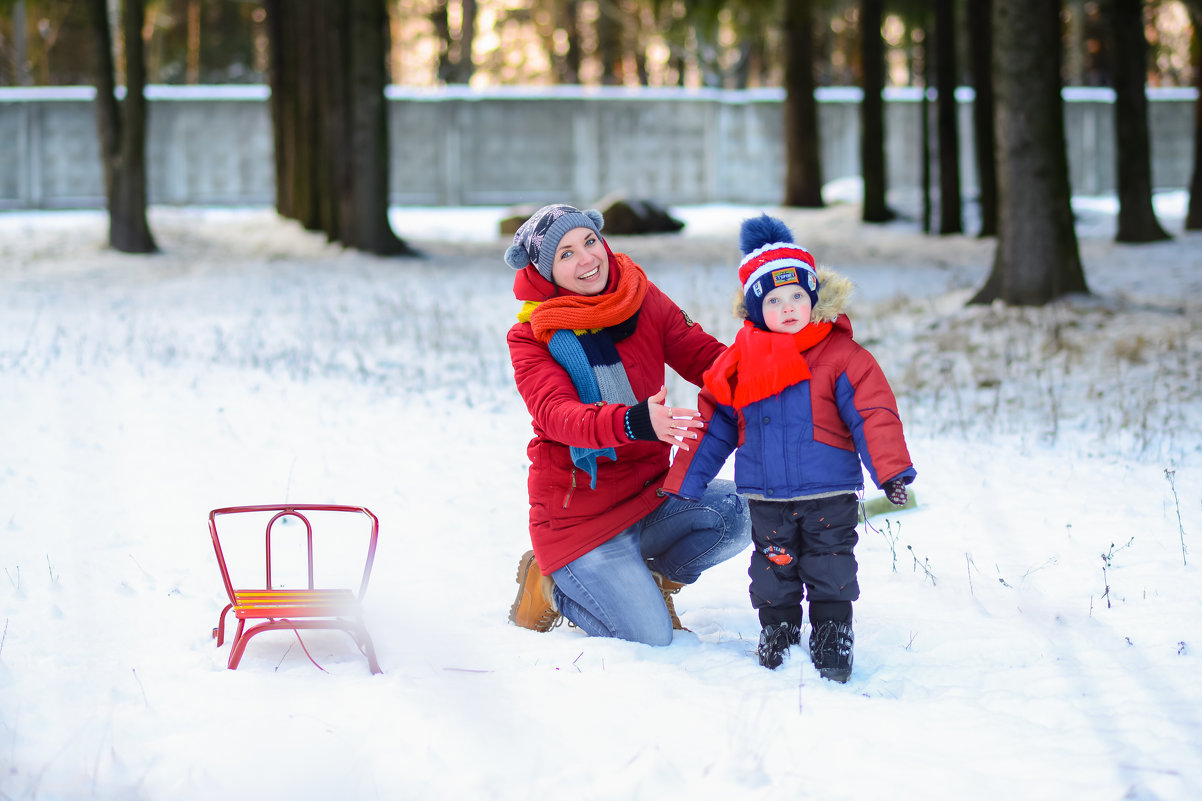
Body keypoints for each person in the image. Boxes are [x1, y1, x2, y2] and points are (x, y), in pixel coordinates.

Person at [663, 214, 916, 681]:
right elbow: (715, 424)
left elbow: (873, 414)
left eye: (798, 295)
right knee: (773, 569)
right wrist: (685, 482)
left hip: (829, 492)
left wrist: (892, 472)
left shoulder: (842, 356)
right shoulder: (737, 365)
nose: (789, 307)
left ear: (814, 297)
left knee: (830, 564)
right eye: (774, 299)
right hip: (767, 495)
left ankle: (832, 633)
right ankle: (777, 629)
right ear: (756, 310)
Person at [504, 203, 751, 646]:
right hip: (580, 520)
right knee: (651, 639)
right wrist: (635, 421)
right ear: (546, 274)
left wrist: (773, 375)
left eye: (589, 242)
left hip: (650, 495)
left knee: (741, 509)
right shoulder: (531, 336)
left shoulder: (639, 295)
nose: (586, 259)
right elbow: (555, 415)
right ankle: (549, 587)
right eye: (565, 254)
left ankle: (653, 579)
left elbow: (702, 355)